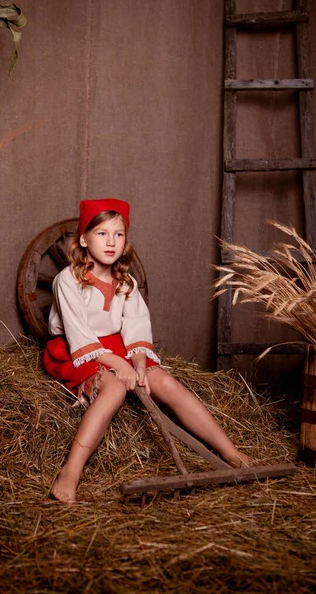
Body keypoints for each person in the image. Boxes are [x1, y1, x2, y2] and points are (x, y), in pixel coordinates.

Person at [44, 198, 251, 503]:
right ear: (85, 240)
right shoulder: (68, 281)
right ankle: (71, 470)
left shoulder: (125, 282)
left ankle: (230, 451)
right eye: (102, 234)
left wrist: (138, 361)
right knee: (113, 390)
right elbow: (79, 335)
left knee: (165, 382)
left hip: (116, 345)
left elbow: (136, 326)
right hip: (76, 349)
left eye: (118, 234)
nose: (111, 242)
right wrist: (118, 365)